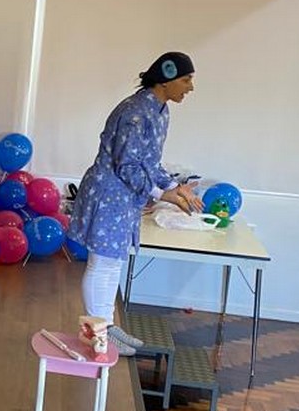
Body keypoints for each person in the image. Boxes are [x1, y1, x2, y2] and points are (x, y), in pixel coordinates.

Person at [67, 51, 202, 355]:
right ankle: (98, 332)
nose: (190, 87)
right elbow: (126, 165)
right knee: (101, 263)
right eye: (186, 79)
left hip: (125, 198)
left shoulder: (160, 111)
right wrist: (162, 195)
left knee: (113, 262)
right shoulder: (135, 112)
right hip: (108, 195)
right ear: (166, 79)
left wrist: (175, 187)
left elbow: (149, 162)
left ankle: (106, 326)